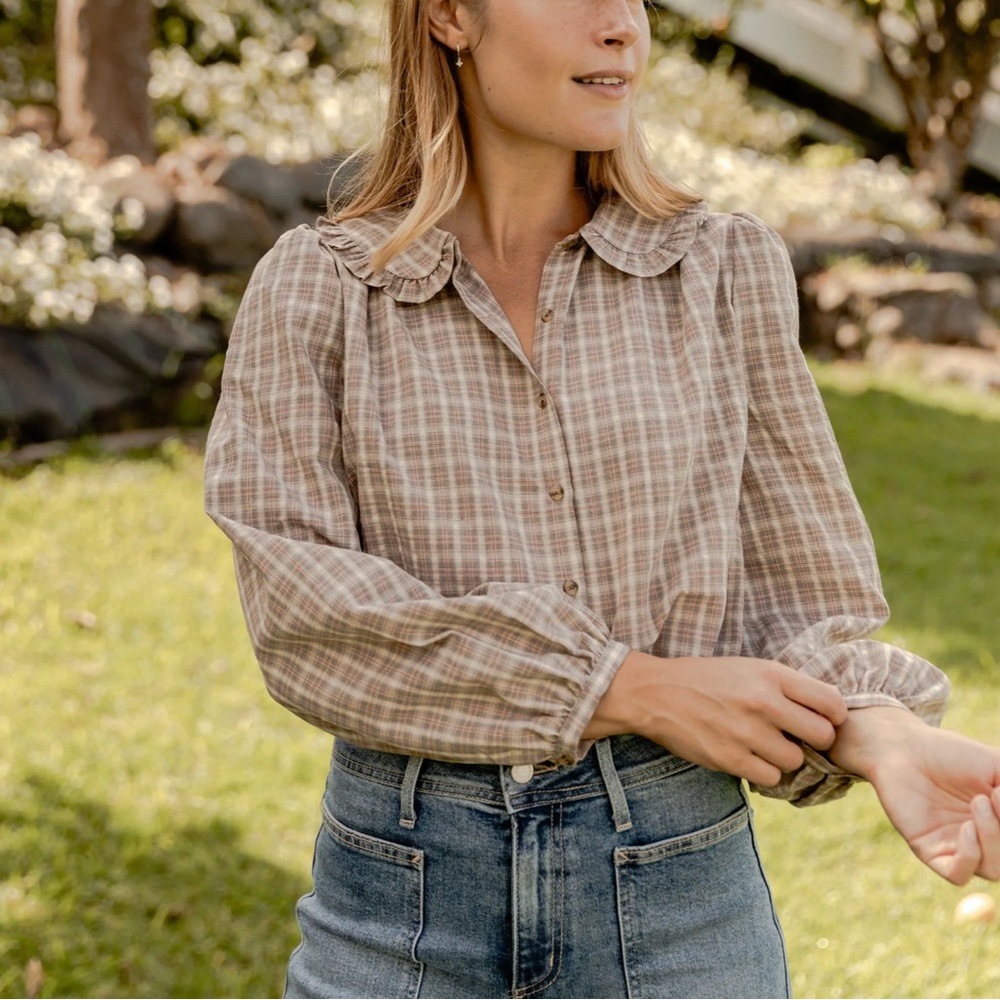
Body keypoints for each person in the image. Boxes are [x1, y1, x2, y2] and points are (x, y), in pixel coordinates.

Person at [204, 0, 1000, 996]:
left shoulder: (720, 268)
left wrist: (879, 730)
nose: (622, 25)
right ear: (449, 15)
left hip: (681, 903)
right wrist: (625, 685)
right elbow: (304, 614)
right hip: (396, 912)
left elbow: (795, 595)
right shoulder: (319, 292)